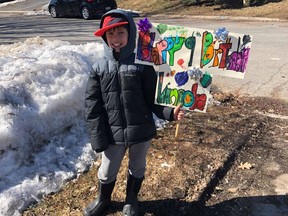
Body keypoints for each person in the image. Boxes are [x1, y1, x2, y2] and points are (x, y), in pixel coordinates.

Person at [84, 9, 185, 216]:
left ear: (130, 34)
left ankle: (131, 199)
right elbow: (92, 105)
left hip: (141, 130)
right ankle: (103, 199)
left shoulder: (143, 65)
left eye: (121, 33)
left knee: (137, 167)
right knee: (107, 170)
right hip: (113, 133)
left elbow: (153, 99)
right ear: (104, 37)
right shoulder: (99, 68)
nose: (116, 39)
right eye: (110, 34)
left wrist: (170, 113)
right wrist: (97, 136)